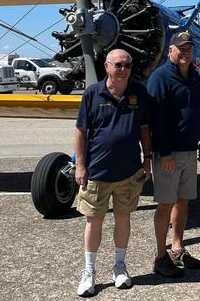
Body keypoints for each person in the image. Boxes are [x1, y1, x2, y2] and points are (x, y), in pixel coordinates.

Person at [74, 49, 152, 296]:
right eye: (118, 65)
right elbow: (80, 131)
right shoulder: (92, 93)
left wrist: (147, 159)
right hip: (97, 172)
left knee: (123, 218)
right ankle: (89, 271)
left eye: (128, 65)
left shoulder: (139, 92)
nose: (124, 69)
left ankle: (120, 266)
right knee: (93, 221)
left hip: (129, 172)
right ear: (107, 66)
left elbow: (144, 129)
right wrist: (80, 165)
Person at [146, 30, 200, 277]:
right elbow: (155, 120)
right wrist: (165, 152)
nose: (185, 52)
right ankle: (160, 257)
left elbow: (197, 112)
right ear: (171, 50)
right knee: (165, 204)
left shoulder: (194, 76)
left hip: (190, 151)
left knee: (183, 202)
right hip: (169, 155)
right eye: (181, 48)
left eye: (189, 48)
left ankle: (177, 247)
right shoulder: (160, 78)